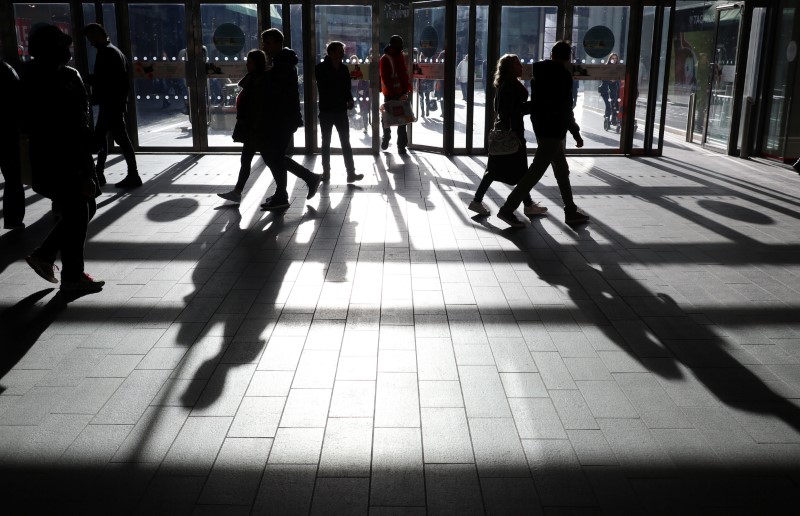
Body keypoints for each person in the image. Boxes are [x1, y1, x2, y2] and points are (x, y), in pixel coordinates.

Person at [22, 24, 104, 292]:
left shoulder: (40, 76)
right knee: (79, 209)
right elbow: (62, 131)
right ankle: (70, 275)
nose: (68, 50)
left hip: (55, 160)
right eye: (63, 46)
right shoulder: (57, 80)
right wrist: (80, 173)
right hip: (63, 161)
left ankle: (49, 258)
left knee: (81, 209)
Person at [497, 41, 589, 228]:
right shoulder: (563, 76)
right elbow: (565, 108)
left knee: (561, 170)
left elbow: (538, 103)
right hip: (554, 131)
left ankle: (570, 209)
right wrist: (576, 133)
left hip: (541, 128)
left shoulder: (538, 73)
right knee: (535, 172)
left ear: (552, 54)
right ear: (568, 57)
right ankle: (507, 209)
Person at [468, 54, 546, 218]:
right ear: (510, 68)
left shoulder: (504, 84)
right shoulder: (511, 85)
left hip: (504, 133)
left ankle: (478, 201)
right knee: (519, 171)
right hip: (512, 134)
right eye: (518, 64)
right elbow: (510, 110)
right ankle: (526, 205)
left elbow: (503, 109)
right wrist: (532, 106)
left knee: (496, 171)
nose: (522, 67)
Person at [258, 28, 322, 211]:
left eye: (267, 42)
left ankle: (302, 182)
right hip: (284, 119)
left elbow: (277, 93)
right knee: (274, 156)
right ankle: (284, 193)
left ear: (278, 43)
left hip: (282, 119)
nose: (265, 46)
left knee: (273, 156)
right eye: (264, 43)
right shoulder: (281, 63)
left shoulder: (282, 65)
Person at [83, 23, 140, 189]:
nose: (90, 42)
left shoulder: (107, 53)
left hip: (110, 104)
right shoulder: (115, 51)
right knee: (107, 138)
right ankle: (101, 173)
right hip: (114, 103)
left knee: (107, 139)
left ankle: (103, 174)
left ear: (97, 35)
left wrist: (90, 79)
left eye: (91, 39)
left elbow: (107, 81)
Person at [217, 49, 269, 204]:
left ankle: (306, 178)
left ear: (256, 63)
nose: (247, 64)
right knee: (257, 159)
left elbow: (256, 106)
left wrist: (253, 124)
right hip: (253, 127)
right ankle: (237, 191)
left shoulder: (258, 80)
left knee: (273, 161)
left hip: (255, 127)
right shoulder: (255, 79)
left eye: (249, 62)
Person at [315, 41, 364, 183]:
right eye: (338, 51)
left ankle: (351, 173)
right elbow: (326, 87)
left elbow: (346, 88)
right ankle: (326, 172)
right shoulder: (320, 68)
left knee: (345, 142)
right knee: (326, 142)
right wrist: (343, 96)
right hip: (327, 110)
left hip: (340, 110)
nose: (341, 54)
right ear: (330, 53)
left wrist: (349, 99)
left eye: (342, 51)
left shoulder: (343, 69)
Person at [0, 59, 25, 230]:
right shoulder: (6, 70)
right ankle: (12, 218)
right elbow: (18, 100)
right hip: (6, 131)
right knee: (13, 177)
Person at [379, 35, 412, 154]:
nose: (401, 47)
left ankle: (401, 145)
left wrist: (406, 90)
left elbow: (404, 73)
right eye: (399, 44)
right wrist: (399, 92)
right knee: (388, 118)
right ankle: (387, 138)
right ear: (393, 45)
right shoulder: (385, 59)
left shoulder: (400, 55)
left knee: (402, 120)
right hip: (391, 94)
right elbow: (386, 79)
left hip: (400, 93)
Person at [598, 52, 621, 128]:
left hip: (614, 90)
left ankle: (612, 118)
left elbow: (619, 80)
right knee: (608, 105)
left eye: (615, 58)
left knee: (613, 105)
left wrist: (615, 80)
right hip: (605, 89)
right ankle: (607, 118)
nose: (614, 60)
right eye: (612, 58)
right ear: (610, 59)